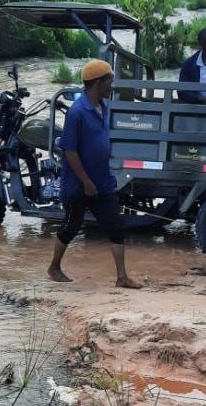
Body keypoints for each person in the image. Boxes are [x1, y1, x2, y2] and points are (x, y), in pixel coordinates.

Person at [47, 60, 142, 288]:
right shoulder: (77, 112)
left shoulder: (103, 107)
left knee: (115, 226)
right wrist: (86, 182)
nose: (112, 85)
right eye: (110, 80)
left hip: (102, 180)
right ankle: (54, 267)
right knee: (71, 226)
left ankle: (122, 277)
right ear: (99, 83)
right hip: (78, 184)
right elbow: (70, 151)